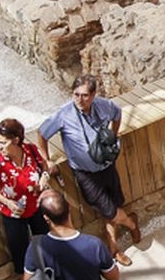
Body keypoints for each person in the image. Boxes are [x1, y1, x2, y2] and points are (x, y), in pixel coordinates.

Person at [38, 75, 140, 268]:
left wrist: (113, 136)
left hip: (107, 165)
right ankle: (132, 223)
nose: (79, 100)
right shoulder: (64, 114)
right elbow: (42, 134)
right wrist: (47, 159)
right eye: (76, 95)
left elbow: (117, 113)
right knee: (109, 209)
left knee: (112, 206)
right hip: (86, 174)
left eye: (85, 95)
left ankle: (113, 249)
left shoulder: (103, 105)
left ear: (93, 95)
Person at [0, 117, 51, 275]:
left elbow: (45, 168)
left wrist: (43, 180)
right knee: (20, 252)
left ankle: (49, 274)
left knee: (45, 242)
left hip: (35, 207)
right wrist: (7, 202)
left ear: (15, 140)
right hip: (14, 214)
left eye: (3, 142)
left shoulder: (31, 150)